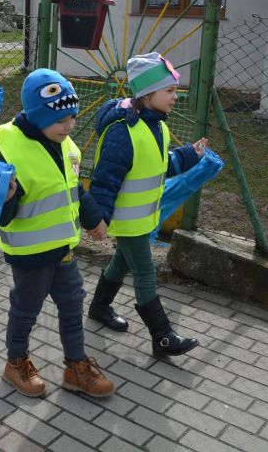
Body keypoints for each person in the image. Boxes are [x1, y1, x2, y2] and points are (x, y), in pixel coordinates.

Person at [0, 68, 115, 399]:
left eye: (72, 117)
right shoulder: (10, 149)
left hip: (63, 250)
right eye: (60, 120)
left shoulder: (65, 145)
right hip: (30, 255)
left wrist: (94, 219)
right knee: (26, 310)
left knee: (72, 304)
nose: (69, 126)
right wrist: (7, 198)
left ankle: (76, 366)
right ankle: (16, 362)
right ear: (38, 116)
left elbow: (74, 189)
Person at [87, 52, 207, 357]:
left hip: (142, 218)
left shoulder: (157, 126)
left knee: (121, 263)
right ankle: (162, 336)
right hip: (127, 221)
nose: (175, 97)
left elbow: (160, 164)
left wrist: (189, 155)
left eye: (176, 90)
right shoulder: (122, 133)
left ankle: (99, 307)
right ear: (147, 94)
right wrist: (98, 217)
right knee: (145, 272)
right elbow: (104, 180)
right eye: (170, 90)